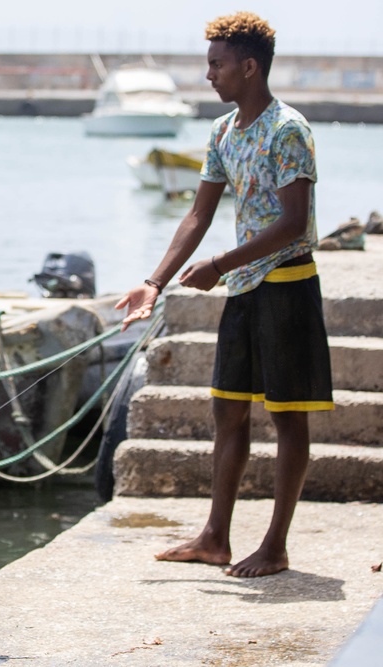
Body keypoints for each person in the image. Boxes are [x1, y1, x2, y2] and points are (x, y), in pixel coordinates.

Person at [117, 11, 334, 578]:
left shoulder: (288, 129)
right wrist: (154, 280)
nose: (209, 74)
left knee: (287, 417)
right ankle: (215, 536)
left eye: (216, 64)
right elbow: (198, 214)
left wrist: (219, 263)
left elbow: (293, 221)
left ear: (249, 66)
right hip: (244, 288)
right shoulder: (223, 132)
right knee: (227, 412)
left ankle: (275, 544)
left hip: (286, 284)